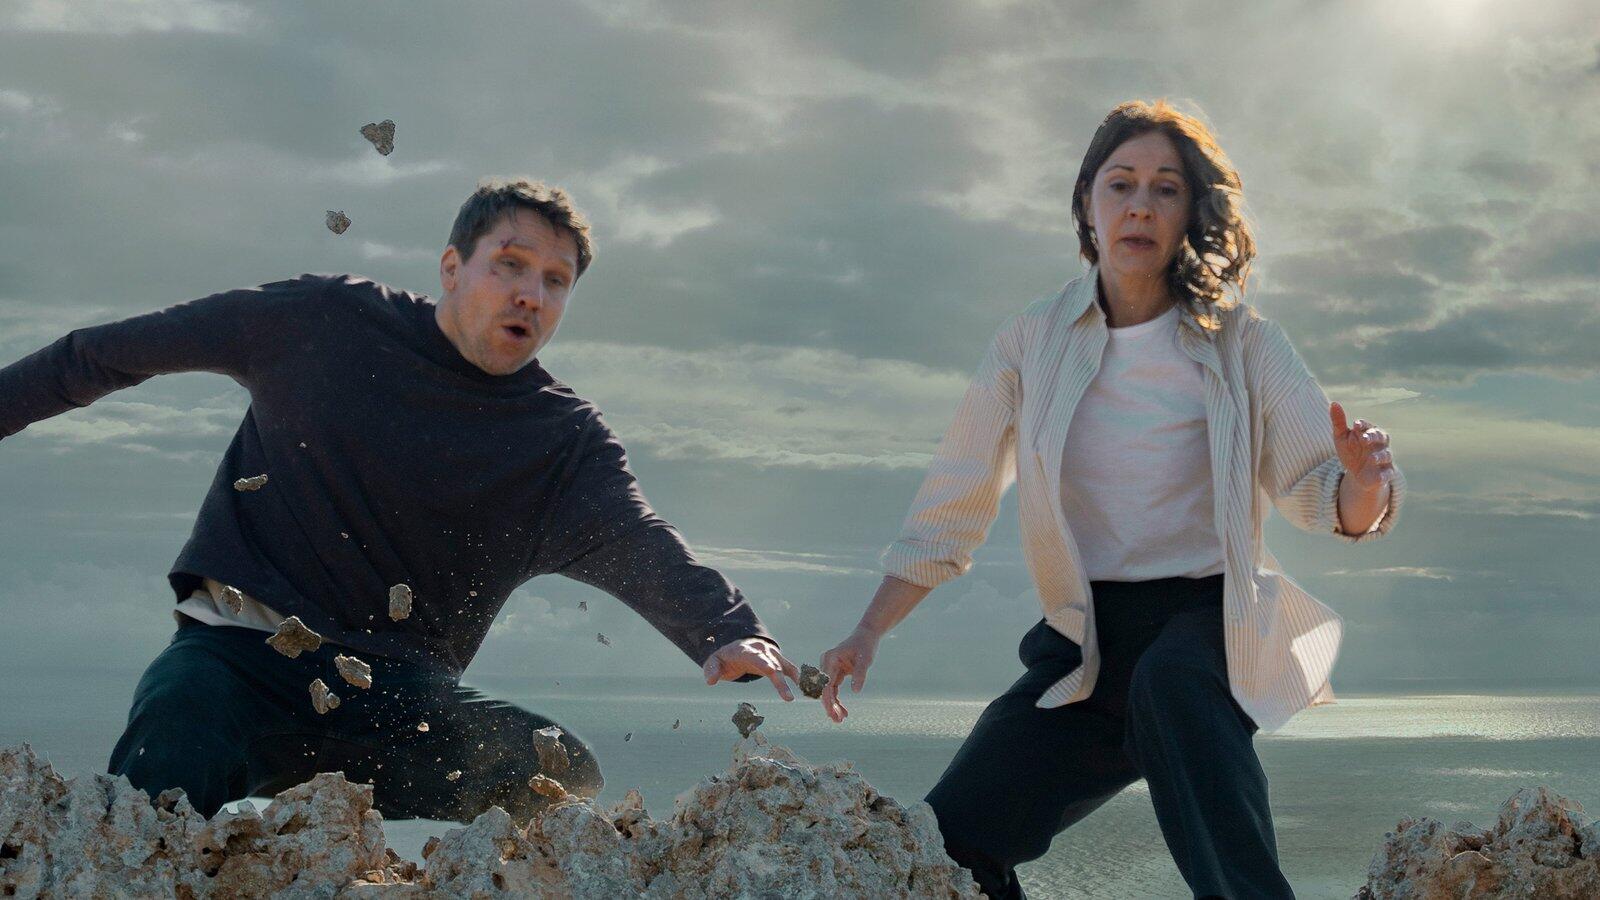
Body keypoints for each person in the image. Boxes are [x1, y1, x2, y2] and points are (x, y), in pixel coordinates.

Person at [0, 177, 799, 822]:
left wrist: (727, 631)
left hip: (398, 705)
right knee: (160, 779)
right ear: (452, 268)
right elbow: (103, 354)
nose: (531, 293)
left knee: (558, 773)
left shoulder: (563, 441)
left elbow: (640, 537)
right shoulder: (320, 320)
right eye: (510, 264)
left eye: (555, 281)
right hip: (238, 660)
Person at [818, 100, 1405, 899]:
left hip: (1208, 628)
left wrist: (1364, 484)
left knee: (1173, 685)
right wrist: (866, 631)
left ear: (1190, 213)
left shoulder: (1248, 343)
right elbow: (951, 507)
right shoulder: (1029, 342)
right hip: (1084, 644)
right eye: (1121, 184)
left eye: (1166, 189)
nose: (1140, 205)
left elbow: (1321, 492)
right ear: (1087, 205)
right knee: (949, 847)